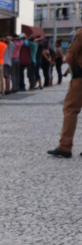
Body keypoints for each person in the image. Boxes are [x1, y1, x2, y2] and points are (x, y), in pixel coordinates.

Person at [48, 29, 82, 158]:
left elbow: (68, 57)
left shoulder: (80, 33)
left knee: (70, 109)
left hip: (80, 79)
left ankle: (65, 146)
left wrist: (68, 61)